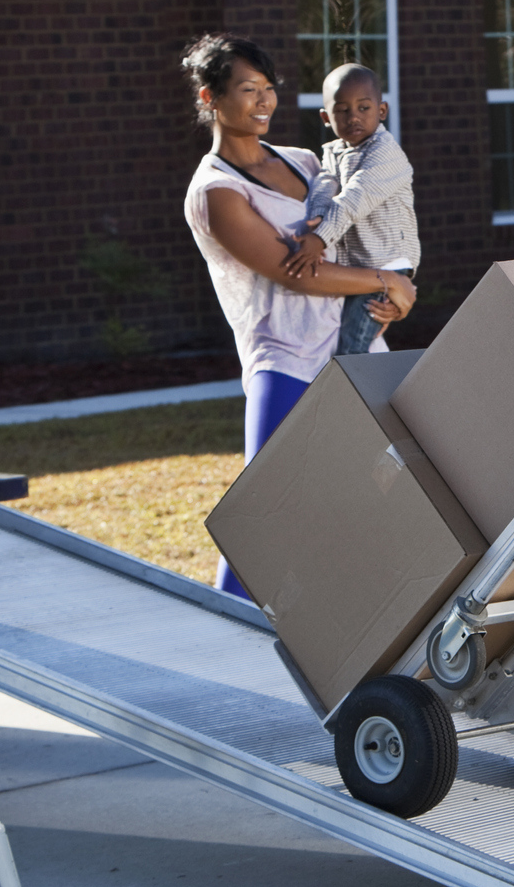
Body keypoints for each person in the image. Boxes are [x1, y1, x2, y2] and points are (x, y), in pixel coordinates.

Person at [179, 34, 416, 595]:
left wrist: (392, 295)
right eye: (247, 91)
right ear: (211, 97)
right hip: (283, 361)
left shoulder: (308, 161)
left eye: (268, 90)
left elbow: (356, 241)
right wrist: (387, 281)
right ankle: (227, 642)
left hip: (354, 348)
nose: (263, 103)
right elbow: (294, 271)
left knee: (388, 500)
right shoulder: (215, 193)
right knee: (260, 517)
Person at [281, 64, 420, 354]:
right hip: (361, 263)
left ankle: (350, 394)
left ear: (382, 111)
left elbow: (355, 198)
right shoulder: (334, 150)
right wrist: (317, 215)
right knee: (344, 333)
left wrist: (319, 238)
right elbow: (326, 182)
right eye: (342, 110)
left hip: (387, 260)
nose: (353, 117)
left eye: (363, 107)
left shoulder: (385, 152)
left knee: (353, 343)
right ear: (325, 117)